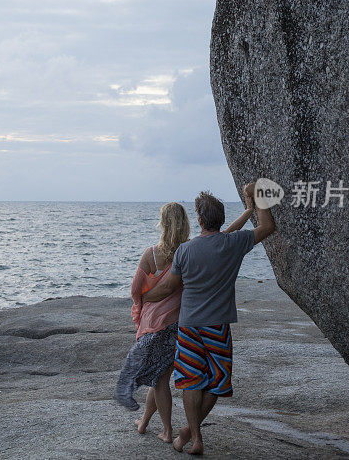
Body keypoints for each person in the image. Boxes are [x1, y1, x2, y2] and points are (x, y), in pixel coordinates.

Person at [142, 182, 275, 455]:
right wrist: (259, 194)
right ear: (220, 219)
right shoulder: (233, 243)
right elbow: (267, 227)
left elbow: (168, 287)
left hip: (189, 325)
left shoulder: (185, 250)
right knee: (216, 381)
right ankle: (191, 435)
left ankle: (193, 436)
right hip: (218, 325)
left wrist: (143, 298)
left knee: (191, 380)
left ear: (200, 220)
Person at [115, 197, 255, 443]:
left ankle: (167, 430)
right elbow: (224, 235)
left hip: (157, 324)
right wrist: (248, 212)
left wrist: (144, 302)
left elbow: (136, 290)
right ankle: (146, 421)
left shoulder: (152, 254)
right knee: (166, 376)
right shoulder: (191, 247)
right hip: (181, 322)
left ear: (163, 224)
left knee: (160, 380)